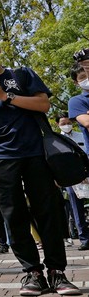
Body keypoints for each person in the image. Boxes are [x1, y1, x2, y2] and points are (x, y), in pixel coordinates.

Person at [0, 30, 80, 296]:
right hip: (0, 158)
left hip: (35, 152)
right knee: (14, 217)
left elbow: (44, 104)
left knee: (46, 212)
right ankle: (32, 272)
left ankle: (57, 272)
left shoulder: (22, 75)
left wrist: (7, 97)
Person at [66, 61, 89, 250]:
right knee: (76, 205)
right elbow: (86, 121)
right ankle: (84, 237)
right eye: (82, 77)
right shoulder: (77, 101)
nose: (87, 80)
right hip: (77, 170)